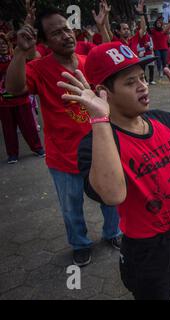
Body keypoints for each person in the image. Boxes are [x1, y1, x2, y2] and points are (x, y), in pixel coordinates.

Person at [70, 41, 170, 300]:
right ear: (103, 92)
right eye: (130, 82)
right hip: (147, 250)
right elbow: (113, 195)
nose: (142, 86)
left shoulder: (160, 120)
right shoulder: (96, 145)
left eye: (142, 78)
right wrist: (99, 119)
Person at [5, 7, 120, 267]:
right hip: (63, 156)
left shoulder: (88, 57)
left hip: (101, 148)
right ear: (44, 42)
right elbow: (13, 89)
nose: (66, 35)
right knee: (71, 206)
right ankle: (80, 243)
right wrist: (21, 52)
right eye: (56, 33)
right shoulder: (38, 68)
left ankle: (113, 233)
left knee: (110, 196)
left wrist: (103, 27)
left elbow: (115, 60)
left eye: (67, 29)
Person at [0, 33, 44, 164]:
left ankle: (38, 148)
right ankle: (12, 154)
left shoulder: (16, 58)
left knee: (29, 126)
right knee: (8, 129)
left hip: (21, 98)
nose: (1, 46)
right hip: (3, 101)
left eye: (3, 43)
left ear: (8, 45)